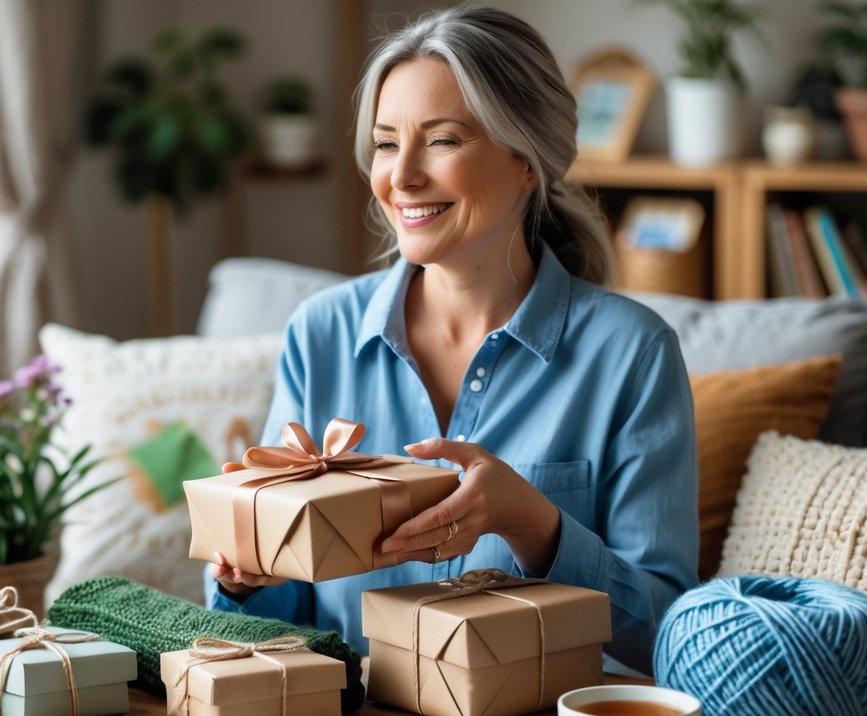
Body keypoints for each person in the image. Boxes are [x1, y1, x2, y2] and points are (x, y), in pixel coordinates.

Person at [204, 5, 697, 675]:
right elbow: (275, 625)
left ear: (527, 161)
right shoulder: (320, 333)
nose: (399, 176)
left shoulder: (632, 355)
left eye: (440, 140)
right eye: (384, 142)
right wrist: (240, 578)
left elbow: (668, 633)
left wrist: (534, 524)